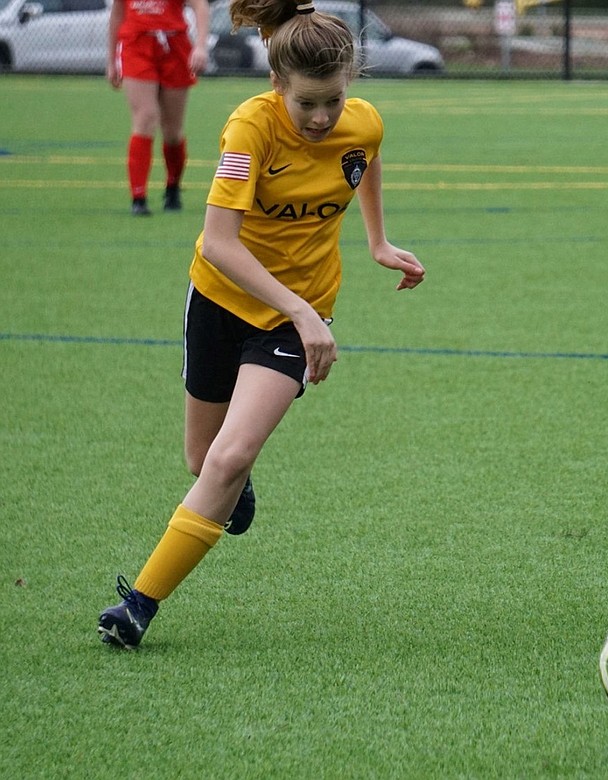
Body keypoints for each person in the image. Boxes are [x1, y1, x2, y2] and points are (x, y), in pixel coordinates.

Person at [97, 0, 426, 649]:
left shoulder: (361, 124)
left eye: (332, 100)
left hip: (294, 320)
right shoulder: (249, 128)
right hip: (220, 299)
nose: (321, 116)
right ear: (278, 85)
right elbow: (218, 242)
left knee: (229, 455)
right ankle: (227, 489)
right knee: (204, 460)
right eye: (307, 103)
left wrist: (377, 242)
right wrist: (302, 310)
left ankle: (139, 603)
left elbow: (363, 159)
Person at [107, 0, 211, 216]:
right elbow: (117, 16)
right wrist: (111, 61)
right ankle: (138, 197)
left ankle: (172, 188)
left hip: (174, 45)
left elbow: (200, 6)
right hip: (137, 45)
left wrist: (200, 46)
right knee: (145, 118)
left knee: (172, 131)